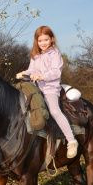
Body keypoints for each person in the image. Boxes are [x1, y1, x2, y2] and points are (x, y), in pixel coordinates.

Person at [16, 26, 78, 158]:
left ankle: (72, 141)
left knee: (54, 111)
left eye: (46, 40)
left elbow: (56, 72)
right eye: (40, 40)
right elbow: (31, 70)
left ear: (52, 39)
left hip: (50, 87)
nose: (43, 43)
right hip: (36, 87)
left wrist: (41, 77)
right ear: (36, 41)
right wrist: (23, 73)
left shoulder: (55, 53)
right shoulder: (35, 55)